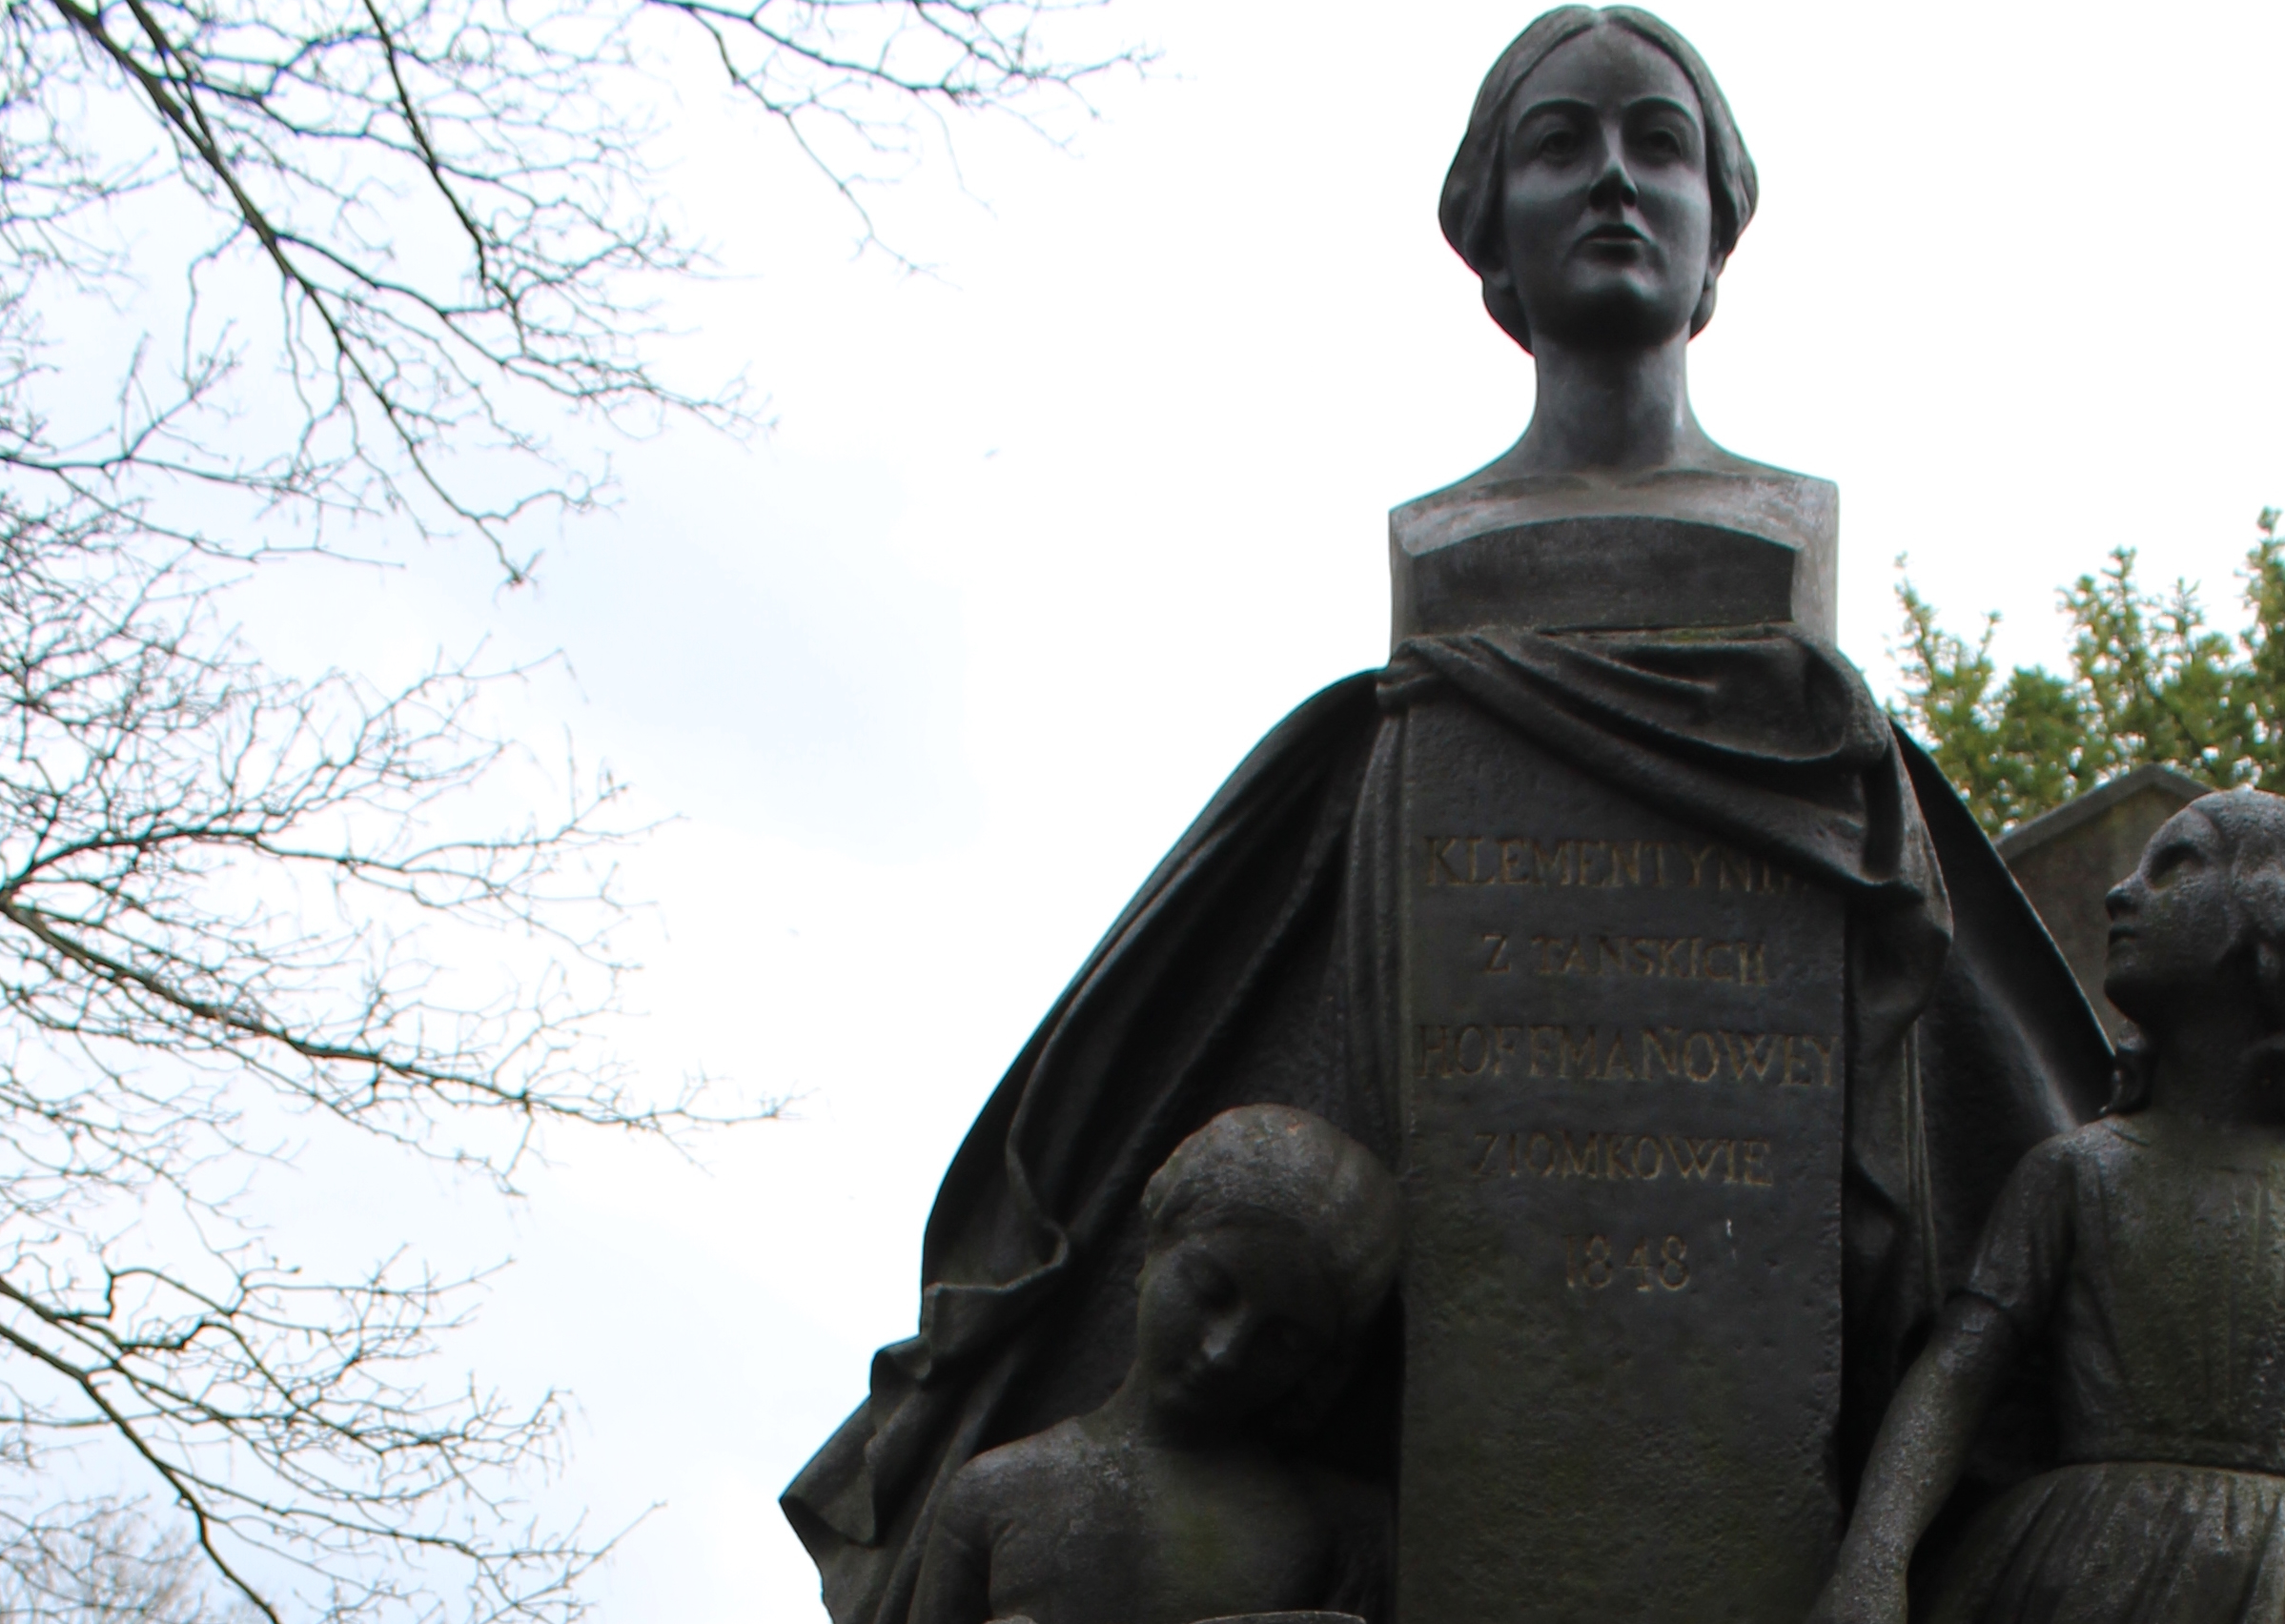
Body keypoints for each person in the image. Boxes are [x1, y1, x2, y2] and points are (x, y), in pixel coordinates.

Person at [782, 14, 2113, 1622]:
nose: (1612, 179)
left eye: (1656, 144)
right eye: (1557, 144)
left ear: (1713, 239)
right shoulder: (1440, 580)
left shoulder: (1775, 555)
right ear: (1487, 231)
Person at [1811, 791, 2285, 1624]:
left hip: (2279, 1592)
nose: (2121, 894)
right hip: (2081, 1572)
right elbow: (1956, 1375)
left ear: (2279, 925)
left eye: (2176, 867)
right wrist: (1874, 1562)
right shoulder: (2074, 1175)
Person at [908, 1106, 1399, 1624]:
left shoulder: (1335, 1530)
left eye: (1281, 1341)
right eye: (1211, 1291)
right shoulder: (994, 1495)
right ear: (1155, 1245)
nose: (1224, 1352)